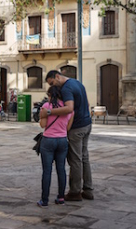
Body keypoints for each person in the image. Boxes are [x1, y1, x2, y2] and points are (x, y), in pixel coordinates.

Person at [40, 70, 93, 201]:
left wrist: (48, 111)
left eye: (52, 83)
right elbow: (87, 104)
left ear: (57, 77)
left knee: (75, 159)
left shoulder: (66, 88)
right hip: (87, 124)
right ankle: (88, 189)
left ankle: (75, 192)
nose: (53, 87)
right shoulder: (77, 83)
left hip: (77, 128)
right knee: (84, 157)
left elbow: (69, 108)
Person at [37, 86, 74, 207]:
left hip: (48, 140)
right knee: (61, 169)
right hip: (63, 140)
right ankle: (61, 198)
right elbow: (67, 128)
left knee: (47, 171)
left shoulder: (46, 107)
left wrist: (43, 117)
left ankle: (44, 200)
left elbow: (42, 125)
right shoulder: (68, 109)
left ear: (50, 95)